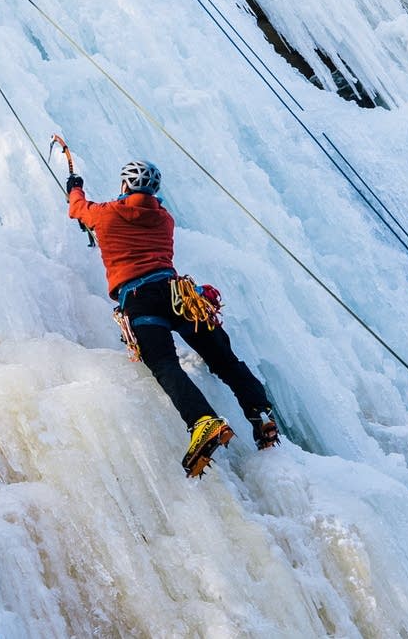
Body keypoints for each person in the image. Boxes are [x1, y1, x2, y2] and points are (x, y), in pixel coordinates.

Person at [67, 157, 280, 476]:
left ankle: (202, 421)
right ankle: (259, 412)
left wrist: (75, 188)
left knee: (165, 364)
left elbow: (79, 211)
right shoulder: (165, 218)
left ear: (124, 185)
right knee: (224, 360)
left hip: (140, 300)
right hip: (179, 294)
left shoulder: (106, 214)